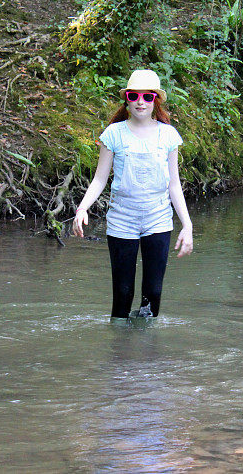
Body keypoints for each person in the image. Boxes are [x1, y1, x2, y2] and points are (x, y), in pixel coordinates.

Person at [73, 69, 193, 319]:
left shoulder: (168, 135)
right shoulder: (113, 134)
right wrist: (82, 208)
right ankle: (119, 353)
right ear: (126, 99)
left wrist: (187, 226)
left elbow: (174, 185)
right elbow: (99, 178)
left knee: (153, 294)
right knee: (122, 295)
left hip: (158, 220)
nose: (140, 101)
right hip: (121, 221)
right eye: (134, 95)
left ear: (155, 101)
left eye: (147, 96)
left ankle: (148, 352)